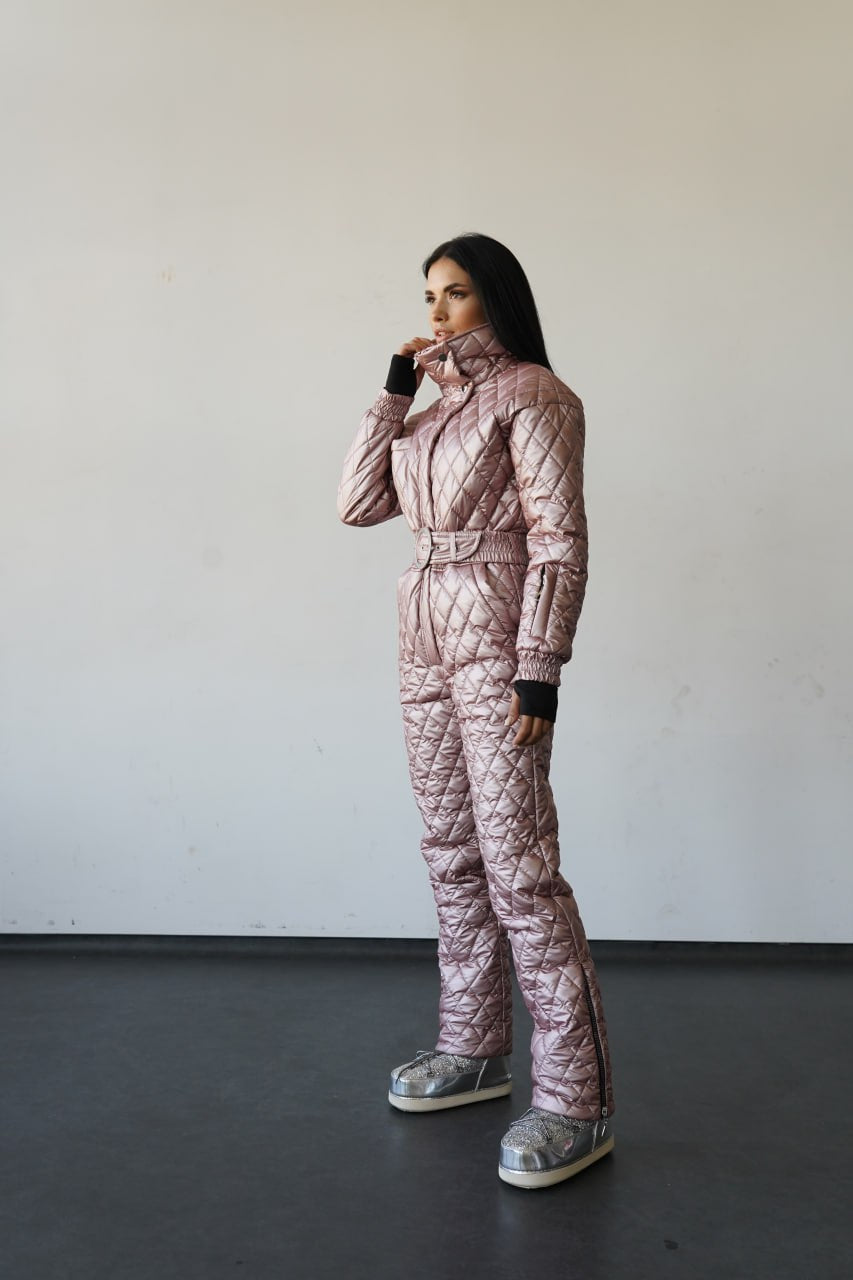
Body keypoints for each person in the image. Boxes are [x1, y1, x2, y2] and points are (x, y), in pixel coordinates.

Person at [336, 232, 615, 1190]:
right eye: (427, 298)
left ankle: (574, 1102)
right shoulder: (427, 413)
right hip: (422, 637)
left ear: (493, 299)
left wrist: (540, 666)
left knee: (518, 868)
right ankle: (473, 1048)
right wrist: (391, 394)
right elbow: (355, 504)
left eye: (455, 295)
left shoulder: (535, 395)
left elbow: (559, 539)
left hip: (497, 646)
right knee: (450, 853)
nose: (436, 314)